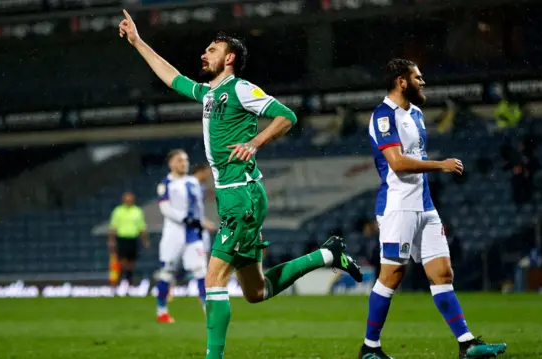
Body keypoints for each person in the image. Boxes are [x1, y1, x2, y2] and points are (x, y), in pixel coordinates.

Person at [119, 10, 363, 359]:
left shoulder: (241, 89)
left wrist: (255, 143)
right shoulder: (208, 94)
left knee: (213, 280)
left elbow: (287, 116)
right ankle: (328, 254)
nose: (204, 54)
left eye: (212, 50)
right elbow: (170, 76)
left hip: (241, 196)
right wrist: (138, 41)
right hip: (234, 196)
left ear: (229, 58)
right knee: (256, 291)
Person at [359, 58, 506, 359]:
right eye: (418, 77)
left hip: (424, 205)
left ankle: (467, 344)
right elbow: (398, 163)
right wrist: (440, 164)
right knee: (392, 276)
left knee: (442, 273)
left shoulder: (416, 113)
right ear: (402, 81)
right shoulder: (383, 116)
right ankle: (370, 347)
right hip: (398, 206)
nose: (423, 82)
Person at [155, 149, 209, 323]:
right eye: (179, 160)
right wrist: (185, 219)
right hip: (174, 234)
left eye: (185, 160)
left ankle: (208, 310)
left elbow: (199, 207)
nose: (183, 163)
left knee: (201, 271)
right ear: (171, 163)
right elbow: (165, 208)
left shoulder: (193, 181)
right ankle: (161, 310)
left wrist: (200, 224)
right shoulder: (166, 184)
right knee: (167, 272)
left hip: (193, 234)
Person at [108, 191, 149, 284]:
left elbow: (141, 227)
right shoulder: (118, 211)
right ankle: (123, 278)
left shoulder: (137, 211)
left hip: (133, 238)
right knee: (122, 259)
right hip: (122, 238)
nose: (129, 200)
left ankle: (129, 279)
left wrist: (145, 240)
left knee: (131, 260)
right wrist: (111, 240)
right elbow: (113, 227)